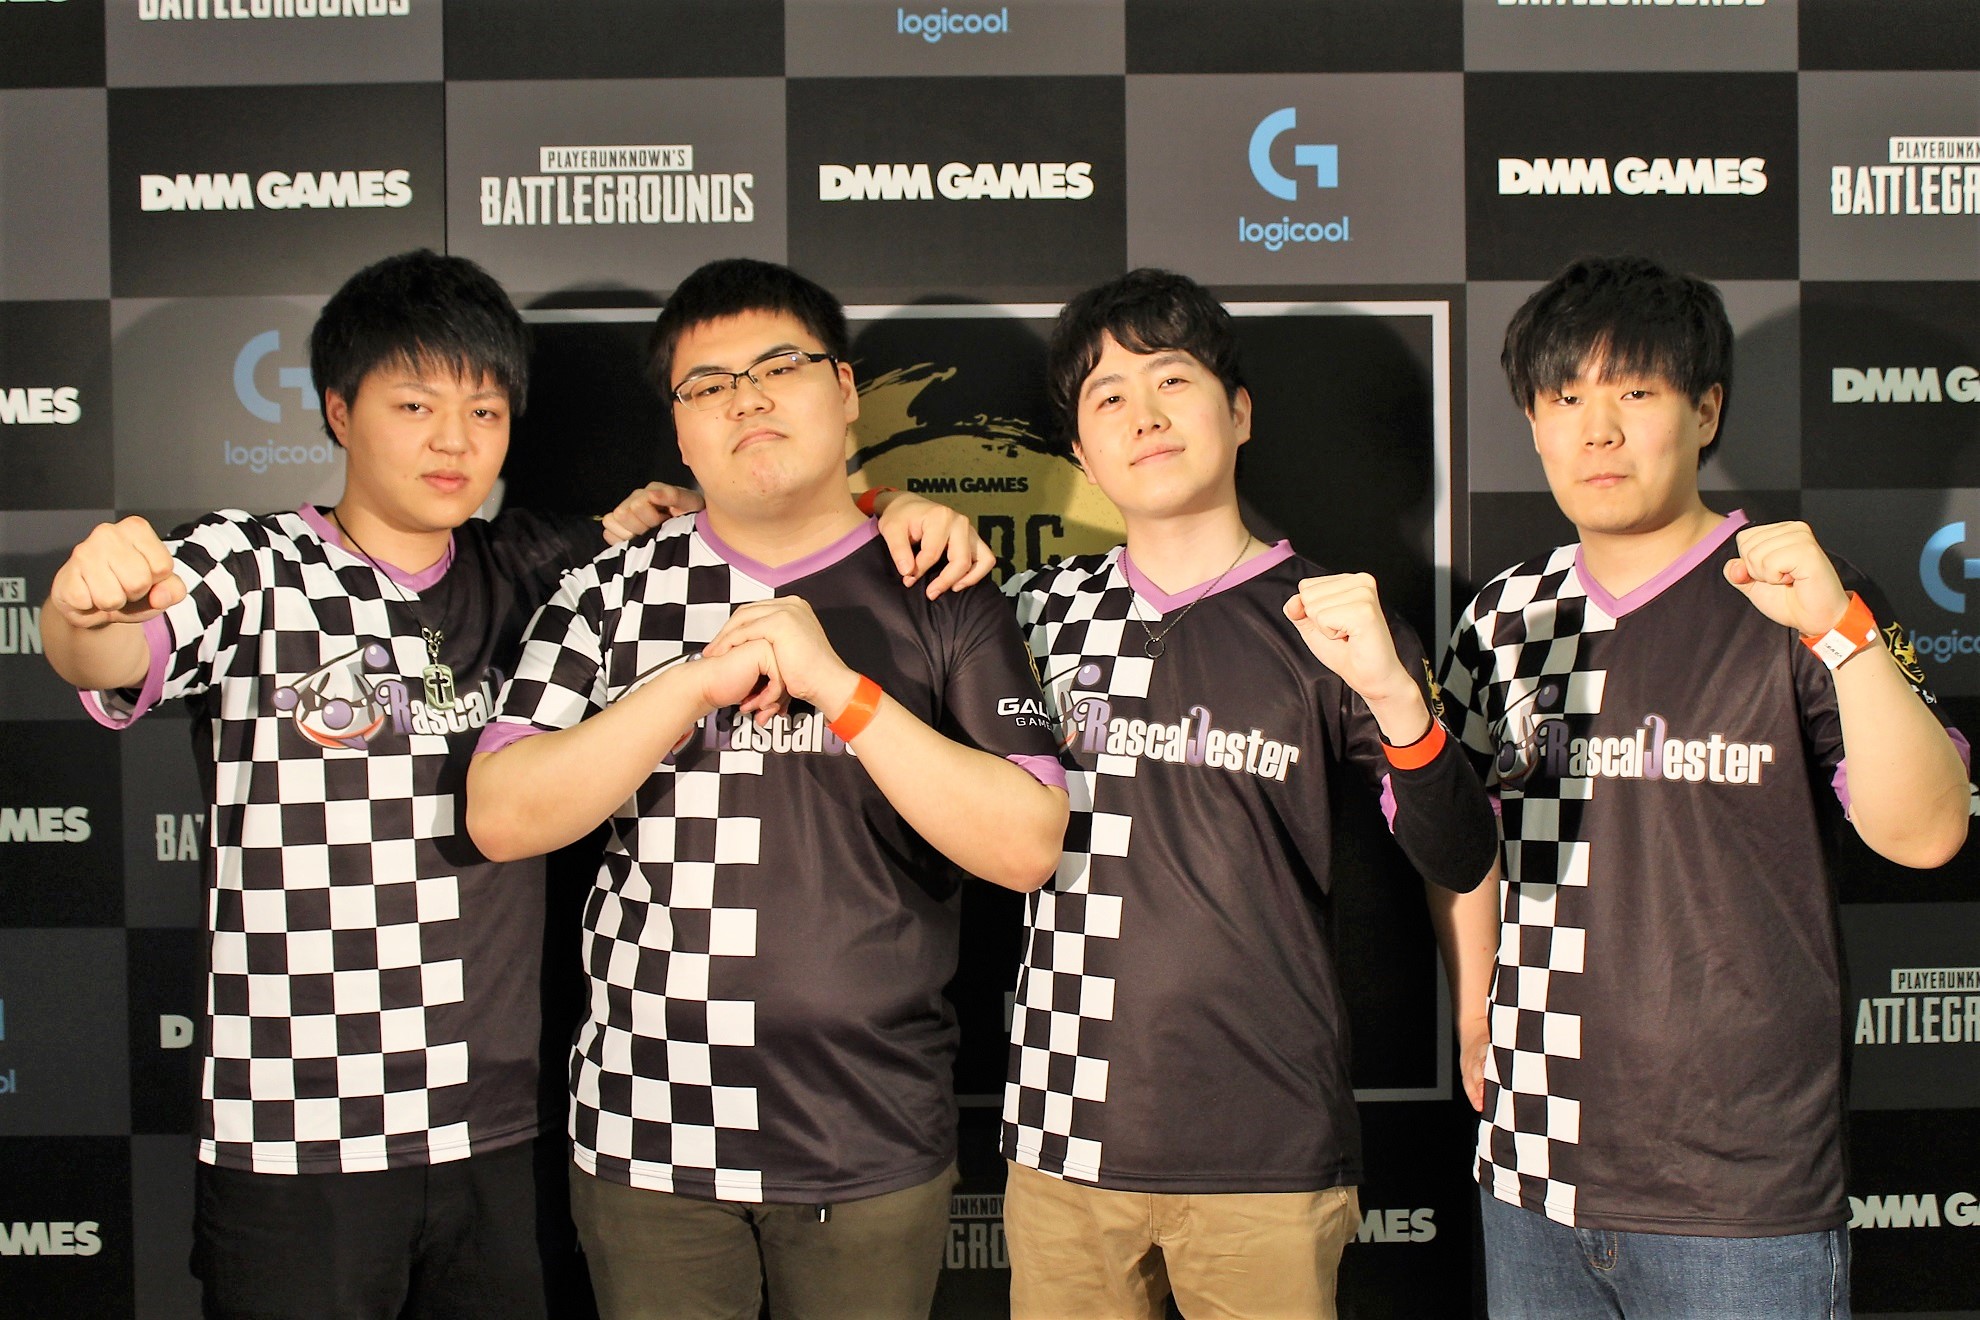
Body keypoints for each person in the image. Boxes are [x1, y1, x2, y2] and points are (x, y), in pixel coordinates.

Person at [37, 248, 991, 1320]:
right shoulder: (251, 565)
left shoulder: (540, 567)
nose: (454, 441)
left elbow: (764, 512)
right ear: (339, 412)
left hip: (497, 1129)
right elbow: (110, 649)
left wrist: (897, 502)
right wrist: (82, 612)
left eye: (485, 412)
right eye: (415, 405)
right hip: (298, 1132)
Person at [464, 256, 1071, 1320]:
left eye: (779, 367)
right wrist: (690, 684)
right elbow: (503, 816)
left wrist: (840, 688)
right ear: (680, 429)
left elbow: (1026, 845)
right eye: (709, 385)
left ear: (845, 390)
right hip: (650, 1136)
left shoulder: (940, 582)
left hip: (868, 1137)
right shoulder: (607, 591)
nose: (746, 399)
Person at [1430, 254, 1970, 1319]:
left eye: (1635, 392)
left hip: (1741, 1188)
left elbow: (1926, 833)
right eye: (1565, 398)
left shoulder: (1797, 594)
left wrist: (1842, 634)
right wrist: (1473, 1007)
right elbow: (1460, 838)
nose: (1597, 431)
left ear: (1706, 410)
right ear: (1532, 424)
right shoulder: (1503, 617)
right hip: (1533, 1161)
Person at [994, 268, 1498, 1320]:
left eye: (1172, 380)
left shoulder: (1332, 617)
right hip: (1063, 1140)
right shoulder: (1029, 613)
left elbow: (1457, 851)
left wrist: (1395, 698)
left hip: (1267, 1150)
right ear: (1080, 453)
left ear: (1240, 413)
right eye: (1109, 397)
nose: (1145, 416)